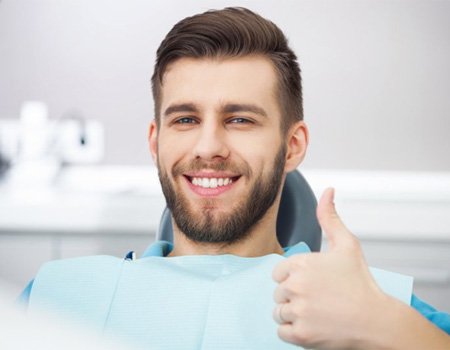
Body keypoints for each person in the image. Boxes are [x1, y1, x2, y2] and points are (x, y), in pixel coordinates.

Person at [21, 7, 449, 349]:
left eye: (240, 119)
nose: (208, 147)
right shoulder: (53, 296)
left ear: (293, 145)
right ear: (156, 143)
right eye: (186, 119)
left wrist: (385, 326)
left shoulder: (381, 308)